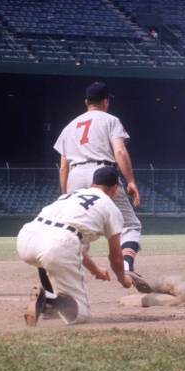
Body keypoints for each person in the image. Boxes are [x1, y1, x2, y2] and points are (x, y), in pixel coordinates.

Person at [17, 167, 133, 326]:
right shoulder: (111, 207)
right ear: (114, 188)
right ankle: (48, 298)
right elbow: (116, 257)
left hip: (27, 238)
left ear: (93, 183)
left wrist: (95, 270)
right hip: (57, 245)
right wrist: (123, 279)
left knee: (57, 249)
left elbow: (71, 241)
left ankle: (49, 299)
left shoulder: (70, 195)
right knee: (80, 314)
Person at [53, 82, 142, 277]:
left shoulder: (69, 126)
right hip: (102, 174)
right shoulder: (110, 120)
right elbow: (119, 150)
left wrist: (67, 194)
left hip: (75, 176)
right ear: (105, 101)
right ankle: (127, 266)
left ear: (86, 102)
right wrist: (131, 180)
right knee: (130, 225)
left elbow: (63, 167)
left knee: (76, 231)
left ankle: (63, 277)